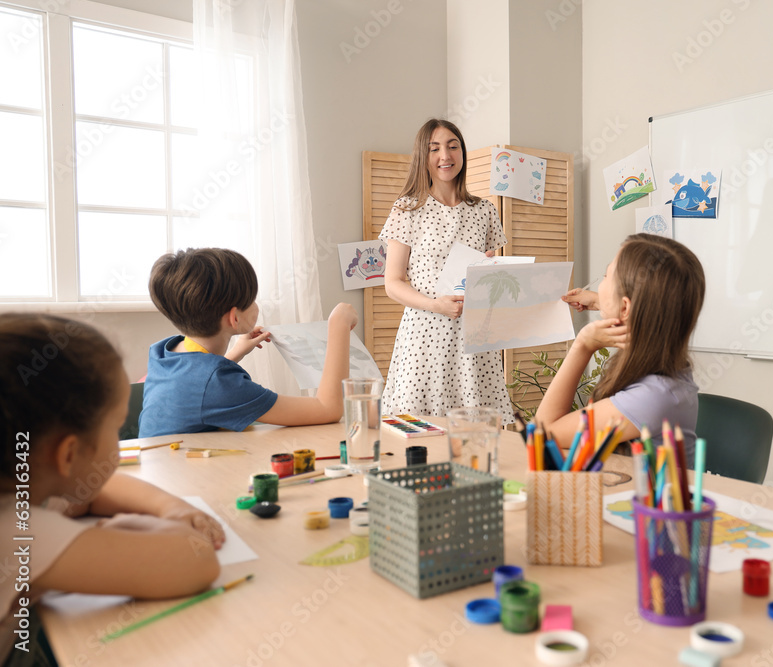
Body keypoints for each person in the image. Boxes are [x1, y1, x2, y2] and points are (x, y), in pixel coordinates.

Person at [0, 314, 223, 665]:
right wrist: (130, 527)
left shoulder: (21, 484)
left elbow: (88, 493)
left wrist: (172, 508)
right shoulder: (20, 533)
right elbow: (197, 559)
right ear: (68, 454)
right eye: (118, 427)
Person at [140, 247, 357, 437]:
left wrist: (234, 354)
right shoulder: (220, 384)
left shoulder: (163, 352)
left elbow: (195, 384)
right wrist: (339, 325)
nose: (256, 304)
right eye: (251, 299)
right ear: (234, 318)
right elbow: (328, 409)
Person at [379, 119, 513, 424]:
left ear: (463, 153)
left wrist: (489, 272)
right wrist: (435, 305)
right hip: (424, 335)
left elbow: (490, 278)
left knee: (478, 432)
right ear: (422, 156)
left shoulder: (485, 211)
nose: (445, 155)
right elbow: (393, 282)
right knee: (419, 432)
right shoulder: (407, 209)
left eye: (453, 146)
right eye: (435, 148)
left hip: (474, 338)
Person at [538, 234, 705, 461]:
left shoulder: (652, 397)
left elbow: (542, 433)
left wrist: (583, 345)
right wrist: (603, 302)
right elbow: (648, 310)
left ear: (626, 307)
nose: (602, 281)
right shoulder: (668, 366)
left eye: (606, 276)